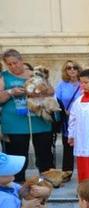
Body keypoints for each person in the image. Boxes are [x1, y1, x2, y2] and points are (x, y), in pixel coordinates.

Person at [0, 49, 55, 183]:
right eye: (9, 64)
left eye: (15, 63)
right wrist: (11, 91)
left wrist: (40, 91)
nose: (13, 66)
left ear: (21, 61)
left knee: (44, 152)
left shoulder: (35, 75)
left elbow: (51, 91)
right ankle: (17, 181)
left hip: (39, 119)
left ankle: (47, 180)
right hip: (15, 122)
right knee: (17, 153)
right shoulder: (3, 76)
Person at [55, 60, 82, 180]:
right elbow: (56, 101)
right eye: (68, 68)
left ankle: (85, 173)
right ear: (65, 71)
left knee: (83, 146)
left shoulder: (84, 83)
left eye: (74, 67)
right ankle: (67, 173)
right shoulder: (61, 85)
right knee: (68, 147)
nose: (72, 70)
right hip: (68, 120)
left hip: (83, 120)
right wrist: (63, 110)